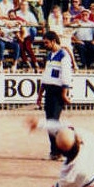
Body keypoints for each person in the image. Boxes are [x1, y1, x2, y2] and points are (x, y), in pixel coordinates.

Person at [36, 31, 72, 161]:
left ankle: (61, 151)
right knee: (49, 122)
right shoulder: (50, 55)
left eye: (46, 42)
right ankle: (54, 152)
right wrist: (40, 94)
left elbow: (66, 77)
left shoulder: (64, 56)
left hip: (57, 92)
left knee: (54, 122)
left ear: (53, 41)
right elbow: (46, 76)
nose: (45, 45)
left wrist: (64, 93)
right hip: (49, 91)